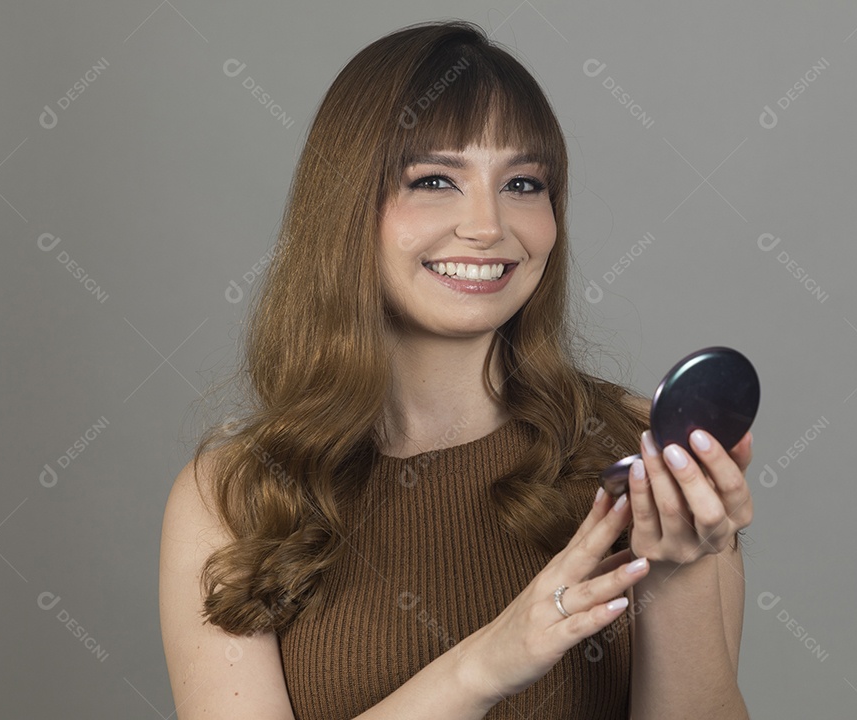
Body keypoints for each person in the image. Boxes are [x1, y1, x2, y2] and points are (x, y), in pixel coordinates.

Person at [159, 18, 753, 720]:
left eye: (524, 184)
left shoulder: (634, 448)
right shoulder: (235, 496)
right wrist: (487, 663)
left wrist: (680, 572)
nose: (488, 225)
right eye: (435, 179)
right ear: (348, 209)